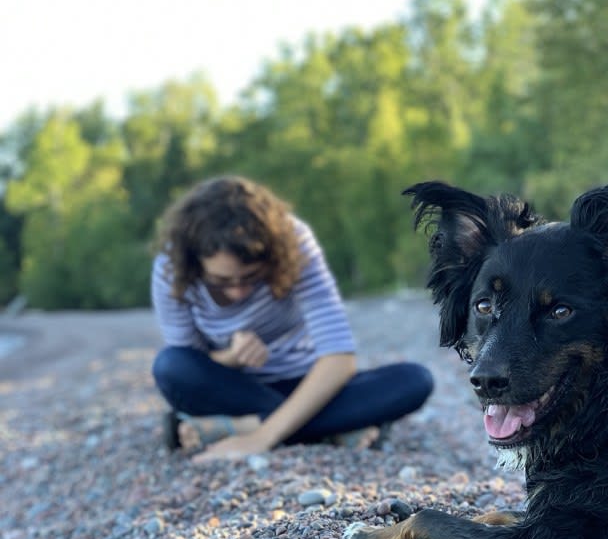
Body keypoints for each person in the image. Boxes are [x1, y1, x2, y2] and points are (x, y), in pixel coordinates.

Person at [150, 176, 434, 463]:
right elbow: (191, 364)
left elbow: (339, 358)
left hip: (307, 384)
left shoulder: (294, 241)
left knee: (414, 380)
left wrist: (259, 438)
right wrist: (233, 357)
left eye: (250, 278)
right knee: (170, 366)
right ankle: (332, 428)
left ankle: (239, 426)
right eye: (220, 281)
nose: (237, 292)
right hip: (233, 390)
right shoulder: (171, 266)